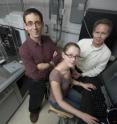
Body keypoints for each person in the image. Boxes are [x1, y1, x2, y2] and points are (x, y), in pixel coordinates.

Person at [19, 8, 61, 123]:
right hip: (35, 80)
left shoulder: (47, 39)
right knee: (36, 97)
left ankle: (47, 93)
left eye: (37, 23)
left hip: (49, 73)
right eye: (30, 23)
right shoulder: (24, 49)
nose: (35, 27)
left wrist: (46, 64)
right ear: (25, 26)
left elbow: (58, 55)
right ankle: (34, 110)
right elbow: (33, 73)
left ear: (42, 24)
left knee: (55, 87)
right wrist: (42, 66)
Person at [49, 42, 99, 124]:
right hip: (57, 101)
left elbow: (69, 80)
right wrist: (82, 115)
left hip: (66, 91)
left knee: (86, 102)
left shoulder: (69, 66)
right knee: (83, 110)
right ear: (63, 55)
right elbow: (60, 101)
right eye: (70, 55)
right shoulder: (55, 75)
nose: (73, 59)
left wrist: (82, 84)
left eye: (76, 56)